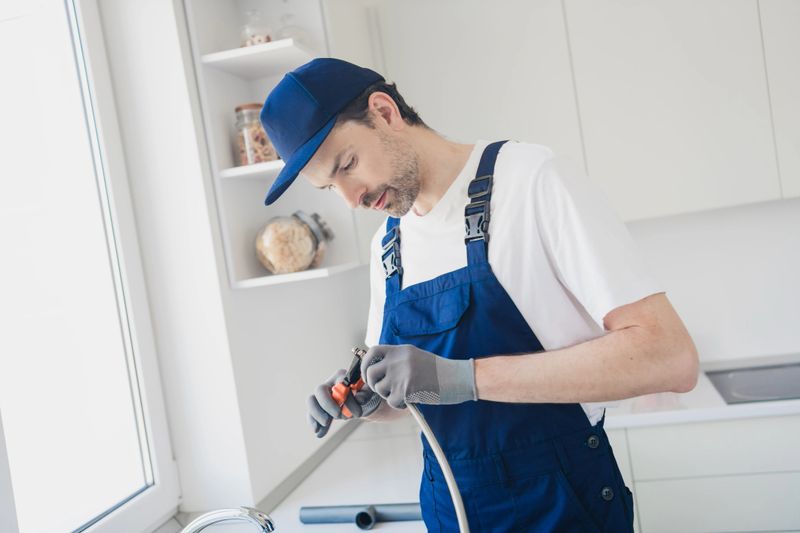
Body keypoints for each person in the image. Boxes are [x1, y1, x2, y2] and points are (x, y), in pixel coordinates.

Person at [260, 57, 698, 532]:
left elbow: (669, 357)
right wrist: (369, 399)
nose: (352, 198)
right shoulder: (390, 245)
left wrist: (462, 377)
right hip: (453, 514)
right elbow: (414, 391)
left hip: (561, 511)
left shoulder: (531, 179)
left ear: (385, 111)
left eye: (347, 165)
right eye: (331, 186)